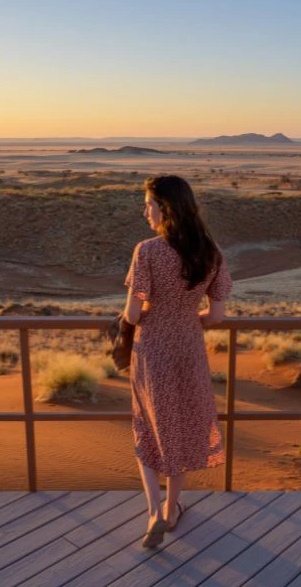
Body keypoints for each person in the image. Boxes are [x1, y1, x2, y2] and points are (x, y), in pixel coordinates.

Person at [123, 174, 233, 548]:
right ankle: (172, 509)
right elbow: (216, 316)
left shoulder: (147, 251)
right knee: (182, 428)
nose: (145, 212)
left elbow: (133, 315)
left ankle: (154, 510)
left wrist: (157, 314)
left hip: (152, 350)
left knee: (148, 426)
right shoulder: (211, 252)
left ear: (165, 209)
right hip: (189, 349)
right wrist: (186, 319)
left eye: (149, 205)